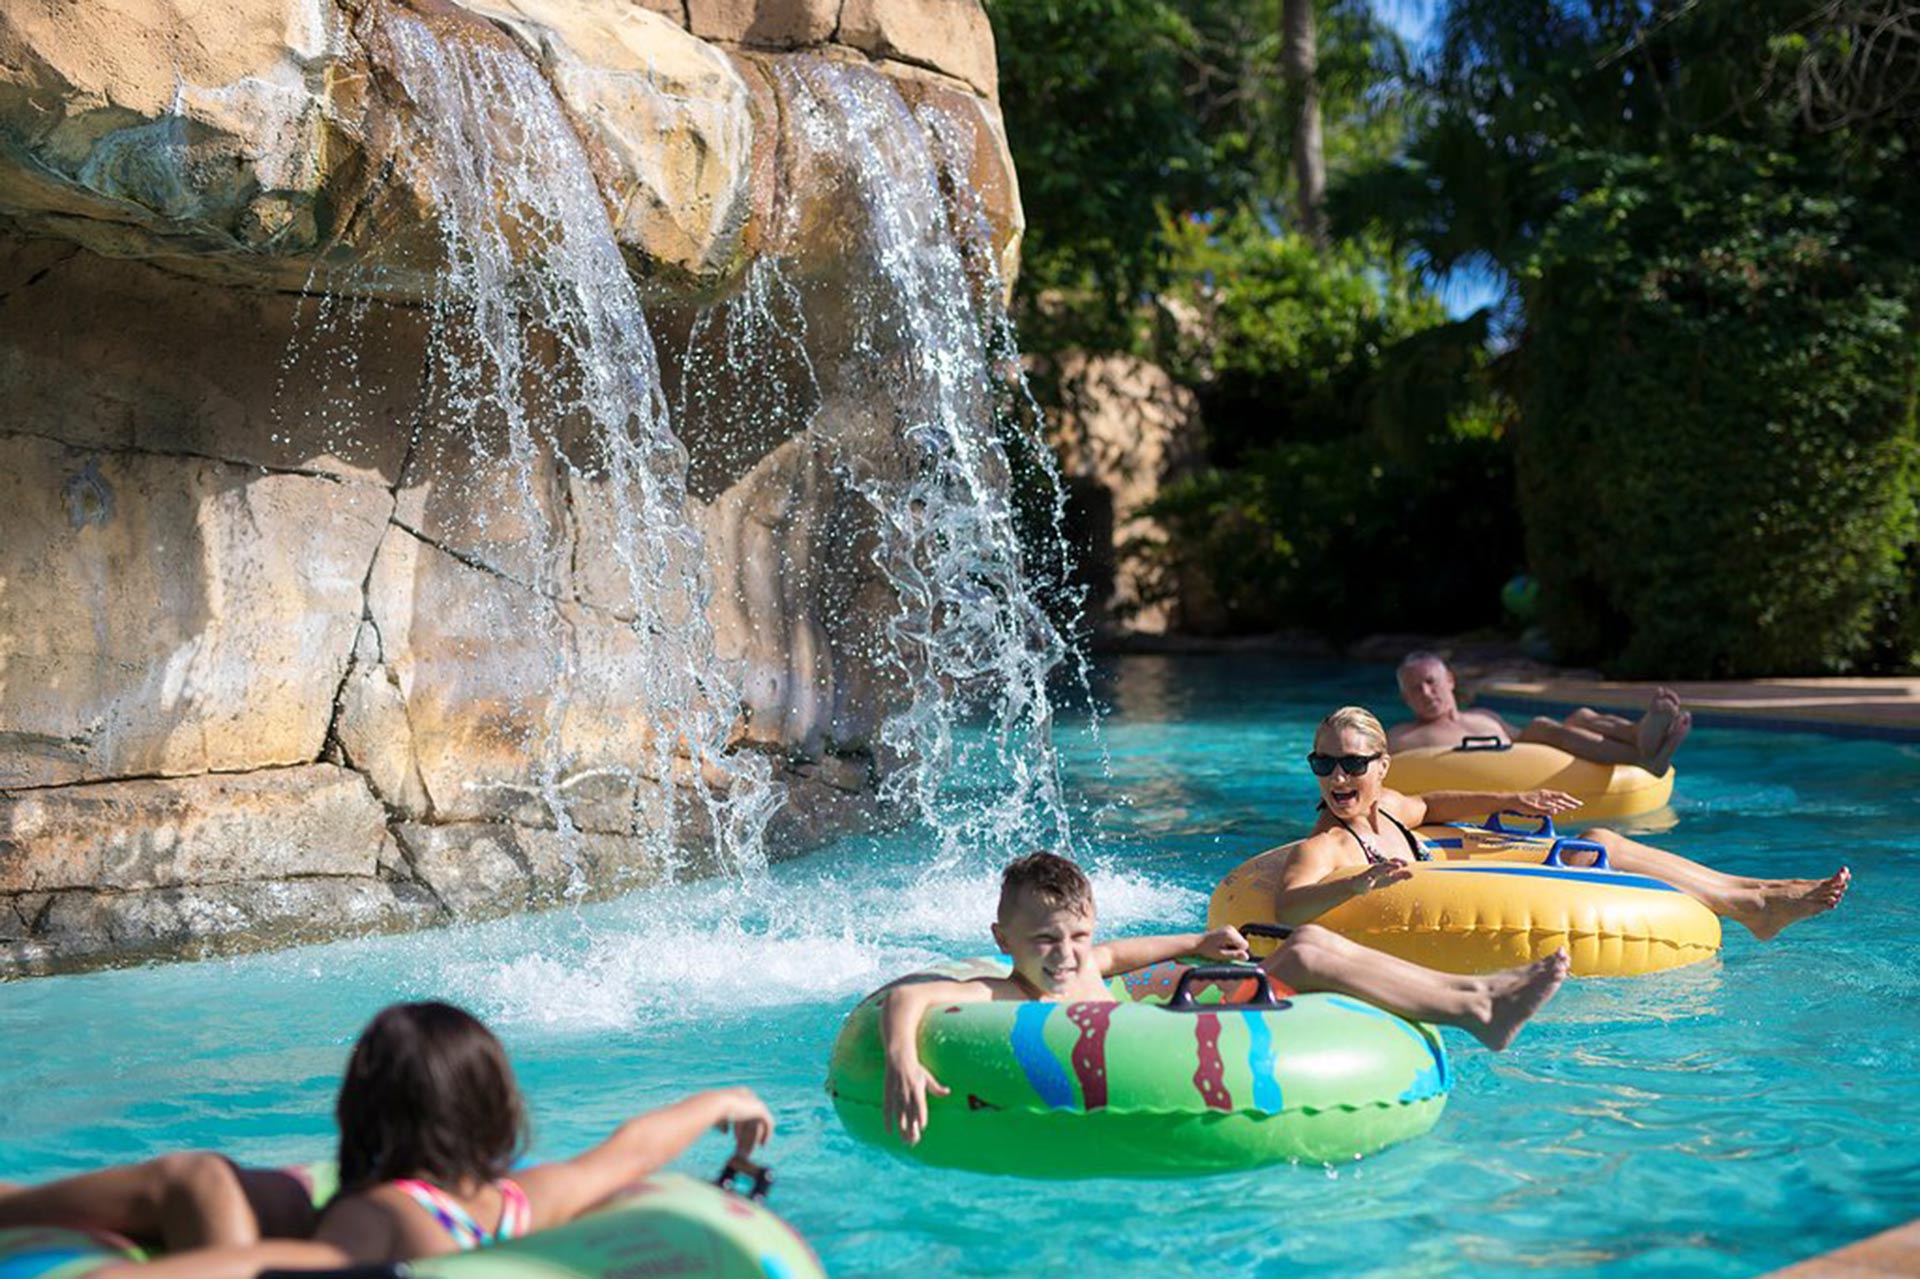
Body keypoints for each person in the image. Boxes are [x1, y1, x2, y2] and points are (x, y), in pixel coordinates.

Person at [0, 1002, 775, 1277]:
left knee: (200, 1178)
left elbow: (260, 1266)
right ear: (494, 1110)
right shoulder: (514, 1204)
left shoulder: (388, 1216)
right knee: (234, 1186)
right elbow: (624, 1152)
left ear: (364, 1109)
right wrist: (721, 1100)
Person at [881, 851, 1571, 1145]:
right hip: (1162, 1061)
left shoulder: (1089, 960)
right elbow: (909, 996)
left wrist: (1199, 942)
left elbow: (1127, 952)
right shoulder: (1006, 987)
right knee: (1303, 954)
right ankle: (1478, 1006)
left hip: (1169, 1030)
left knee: (1310, 945)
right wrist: (902, 1061)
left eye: (1077, 936)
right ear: (1003, 937)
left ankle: (1477, 995)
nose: (1064, 956)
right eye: (1043, 941)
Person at [1274, 706, 1849, 944]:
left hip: (1458, 868)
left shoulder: (1390, 807)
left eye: (1351, 764)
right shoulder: (1326, 842)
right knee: (1590, 850)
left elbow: (1433, 803)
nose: (1337, 777)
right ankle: (1755, 905)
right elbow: (1289, 905)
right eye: (1324, 764)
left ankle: (1756, 891)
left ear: (1381, 767)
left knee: (1600, 838)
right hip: (1436, 911)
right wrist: (1354, 884)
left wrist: (1515, 795)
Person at [1391, 651, 1692, 776]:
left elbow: (1521, 738)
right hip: (1512, 773)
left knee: (1580, 716)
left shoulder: (1483, 716)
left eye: (1431, 683)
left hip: (1524, 758)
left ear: (1450, 681)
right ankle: (1642, 757)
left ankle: (1637, 736)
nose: (1427, 694)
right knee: (1541, 726)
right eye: (1416, 689)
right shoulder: (1404, 736)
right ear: (1405, 698)